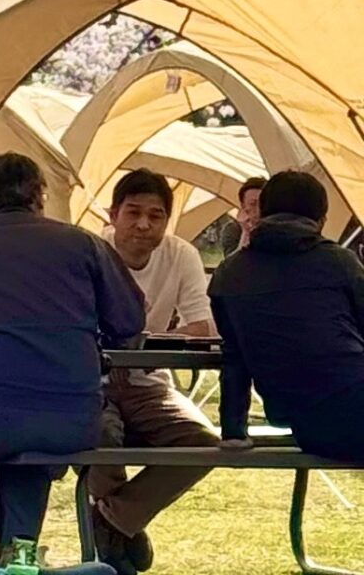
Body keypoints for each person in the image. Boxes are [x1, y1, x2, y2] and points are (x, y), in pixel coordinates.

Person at [0, 152, 145, 564]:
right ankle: (19, 566)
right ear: (39, 195)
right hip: (72, 418)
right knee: (29, 465)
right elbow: (129, 317)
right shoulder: (84, 244)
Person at [88, 170, 219, 573]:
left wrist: (142, 345)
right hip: (93, 384)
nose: (144, 225)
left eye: (155, 215)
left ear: (167, 221)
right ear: (113, 214)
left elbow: (203, 328)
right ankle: (119, 536)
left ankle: (114, 519)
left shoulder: (181, 254)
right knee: (101, 435)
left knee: (206, 445)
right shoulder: (89, 252)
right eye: (133, 213)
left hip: (151, 383)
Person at [212, 170, 364, 464]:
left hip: (305, 424)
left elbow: (234, 359)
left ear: (261, 213)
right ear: (320, 221)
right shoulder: (339, 263)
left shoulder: (228, 275)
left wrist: (233, 430)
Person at [233, 176, 267, 251]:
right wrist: (246, 232)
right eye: (253, 204)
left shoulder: (279, 224)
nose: (259, 208)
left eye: (262, 202)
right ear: (243, 206)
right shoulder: (233, 230)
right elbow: (233, 261)